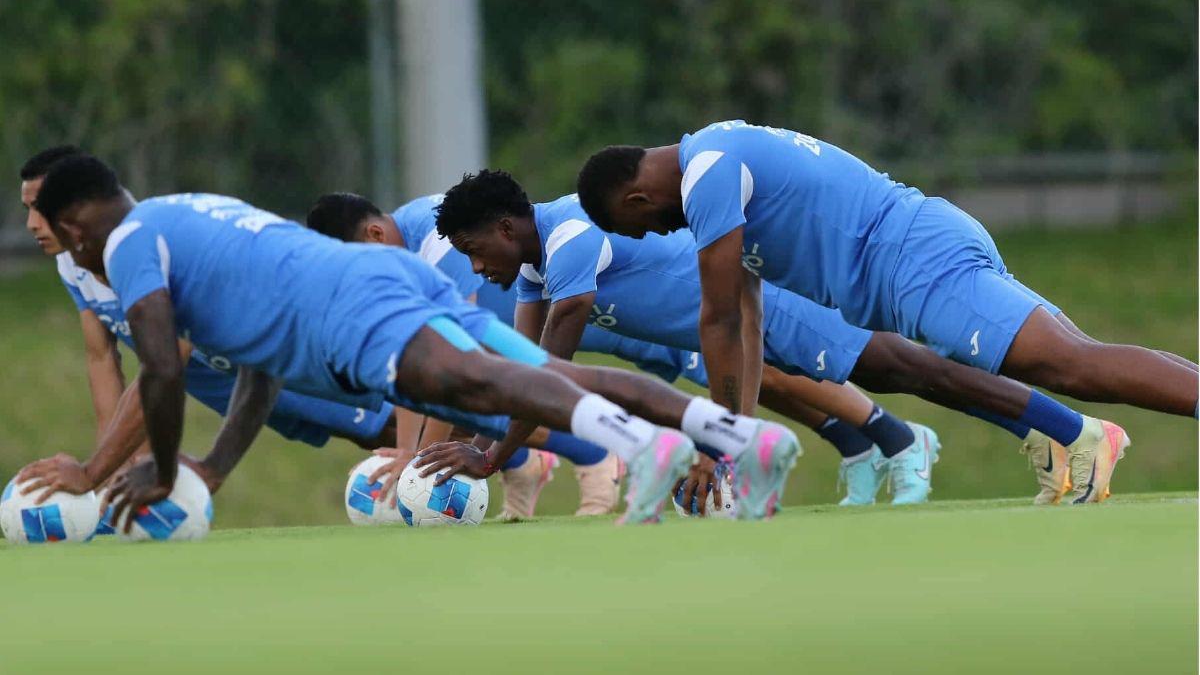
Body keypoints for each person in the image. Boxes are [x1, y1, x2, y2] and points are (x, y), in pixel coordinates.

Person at [33, 154, 800, 527]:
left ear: (76, 227)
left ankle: (643, 449)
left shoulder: (131, 243)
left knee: (482, 386)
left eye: (62, 242)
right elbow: (259, 370)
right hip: (381, 284)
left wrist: (153, 471)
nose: (73, 259)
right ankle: (737, 437)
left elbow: (160, 369)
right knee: (534, 372)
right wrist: (213, 467)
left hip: (351, 303)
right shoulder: (180, 210)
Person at [575, 121, 1196, 502]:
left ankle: (1083, 435)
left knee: (1072, 366)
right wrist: (730, 441)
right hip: (920, 248)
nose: (658, 236)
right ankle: (1083, 441)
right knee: (1069, 357)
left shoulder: (705, 175)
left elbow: (718, 321)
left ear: (636, 197)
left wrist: (713, 444)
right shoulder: (714, 160)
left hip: (914, 260)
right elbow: (748, 321)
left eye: (643, 226)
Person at [436, 170, 1123, 506]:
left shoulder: (568, 238)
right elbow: (527, 372)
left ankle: (1072, 427)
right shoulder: (532, 270)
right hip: (728, 330)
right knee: (905, 371)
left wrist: (496, 454)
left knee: (908, 368)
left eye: (473, 248)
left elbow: (550, 369)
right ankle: (1050, 429)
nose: (475, 268)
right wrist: (494, 451)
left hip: (771, 303)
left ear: (504, 227)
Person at [313, 189, 934, 508]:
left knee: (766, 369)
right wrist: (423, 452)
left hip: (602, 308)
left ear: (373, 233)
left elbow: (449, 365)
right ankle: (858, 442)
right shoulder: (425, 257)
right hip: (603, 317)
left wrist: (413, 455)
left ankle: (893, 433)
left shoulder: (437, 246)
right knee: (744, 375)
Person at [15, 147, 398, 511]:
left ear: (77, 213)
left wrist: (93, 471)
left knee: (399, 414)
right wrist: (112, 471)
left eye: (41, 208)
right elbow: (102, 359)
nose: (33, 223)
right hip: (239, 382)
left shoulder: (137, 243)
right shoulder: (77, 263)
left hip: (303, 326)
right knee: (380, 430)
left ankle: (440, 480)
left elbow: (165, 364)